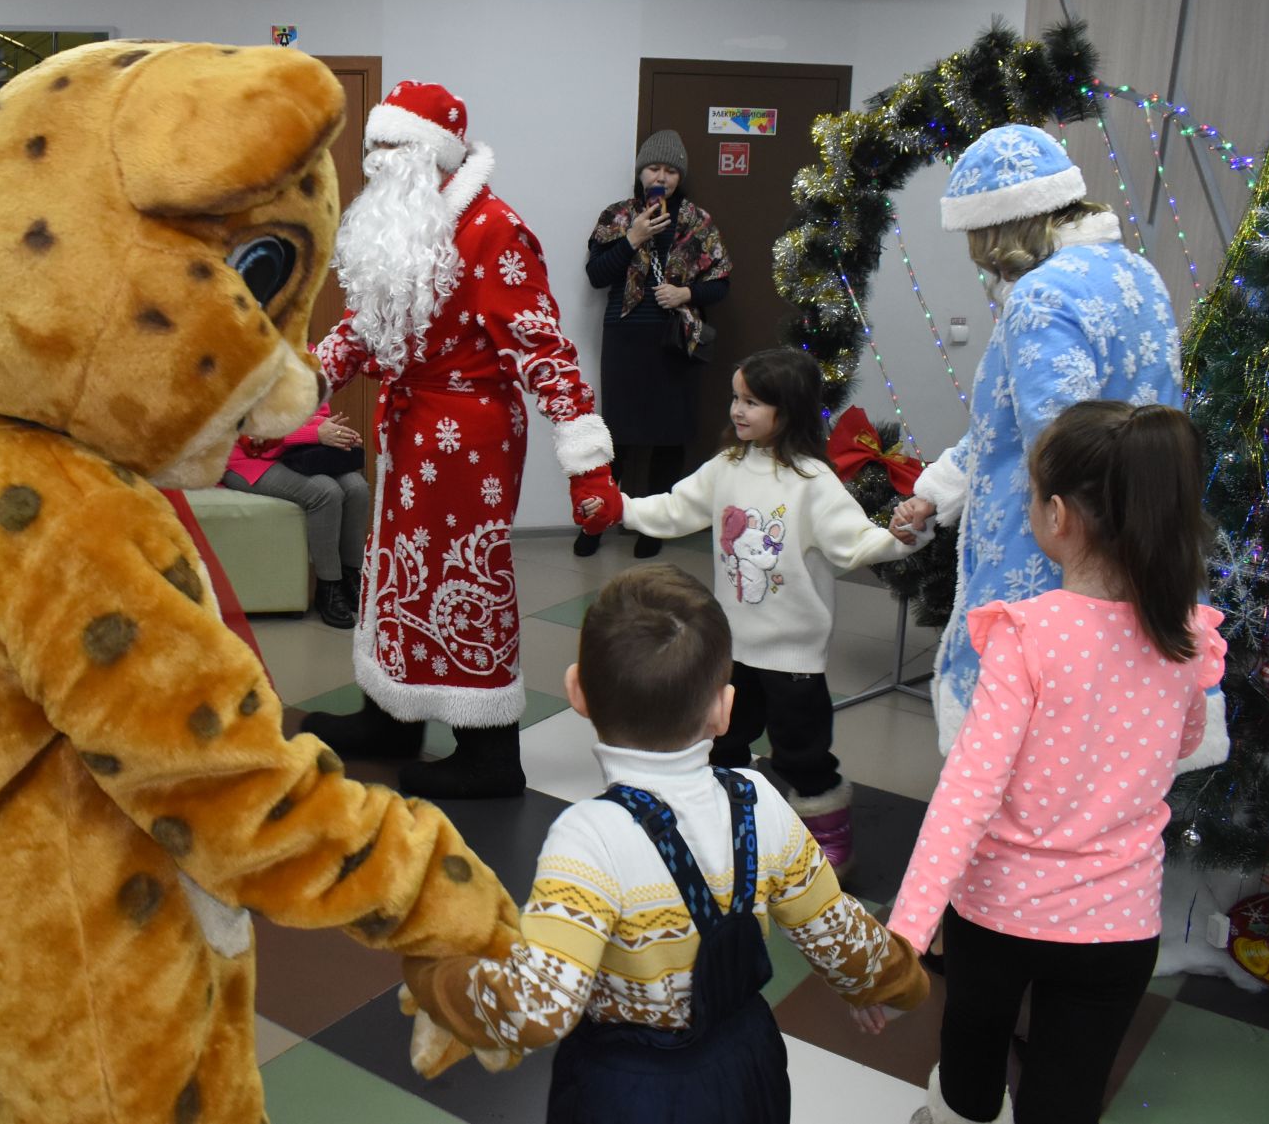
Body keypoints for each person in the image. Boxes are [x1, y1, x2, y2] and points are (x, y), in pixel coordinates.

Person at [402, 564, 928, 1124]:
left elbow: (539, 1006)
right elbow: (836, 930)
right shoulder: (757, 800)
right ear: (725, 708)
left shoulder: (590, 838)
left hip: (625, 1090)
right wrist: (894, 986)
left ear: (577, 691)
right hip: (747, 1068)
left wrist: (438, 978)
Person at [889, 402, 1223, 1124]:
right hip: (1118, 922)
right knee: (1070, 1087)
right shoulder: (1186, 633)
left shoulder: (1028, 635)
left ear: (1059, 516)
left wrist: (909, 930)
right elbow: (1188, 738)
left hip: (1000, 911)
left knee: (972, 1055)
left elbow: (968, 791)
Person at [305, 80, 619, 800]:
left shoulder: (493, 228)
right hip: (410, 429)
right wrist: (309, 379)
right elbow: (365, 327)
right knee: (398, 567)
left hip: (471, 436)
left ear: (430, 154)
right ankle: (391, 714)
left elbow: (542, 345)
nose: (376, 160)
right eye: (372, 145)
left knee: (464, 577)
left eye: (392, 147)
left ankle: (489, 752)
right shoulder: (406, 223)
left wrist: (586, 462)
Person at [889, 124, 1203, 762]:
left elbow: (1062, 448)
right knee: (1107, 754)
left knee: (1021, 754)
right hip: (1144, 540)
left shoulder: (1042, 295)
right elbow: (1018, 418)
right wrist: (938, 494)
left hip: (1052, 556)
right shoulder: (1140, 276)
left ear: (1002, 226)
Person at [579, 348, 928, 871]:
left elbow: (854, 543)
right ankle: (726, 821)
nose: (738, 411)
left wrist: (902, 537)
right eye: (735, 399)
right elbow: (677, 507)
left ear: (788, 410)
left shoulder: (812, 483)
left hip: (794, 657)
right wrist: (621, 507)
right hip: (733, 644)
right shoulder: (727, 466)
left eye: (752, 402)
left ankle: (827, 830)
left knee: (801, 752)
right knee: (722, 739)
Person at [580, 129, 733, 559]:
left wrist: (687, 294)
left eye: (670, 170)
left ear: (679, 176)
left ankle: (655, 525)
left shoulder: (698, 222)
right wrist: (633, 238)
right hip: (626, 339)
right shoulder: (617, 215)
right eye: (654, 168)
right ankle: (596, 522)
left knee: (668, 437)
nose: (661, 177)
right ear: (640, 172)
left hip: (676, 342)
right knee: (616, 439)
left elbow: (721, 283)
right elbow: (596, 276)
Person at [220, 402, 368, 628]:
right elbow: (252, 437)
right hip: (247, 461)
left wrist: (337, 433)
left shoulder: (305, 367)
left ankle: (351, 577)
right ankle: (329, 586)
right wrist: (315, 434)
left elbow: (318, 411)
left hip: (293, 453)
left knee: (357, 488)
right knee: (325, 492)